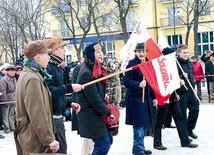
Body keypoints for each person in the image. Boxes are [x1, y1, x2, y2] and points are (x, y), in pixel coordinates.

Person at [15, 40, 59, 155]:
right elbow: (37, 113)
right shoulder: (32, 78)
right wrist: (49, 139)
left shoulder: (29, 74)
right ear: (38, 57)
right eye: (46, 55)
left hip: (32, 136)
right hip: (34, 139)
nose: (49, 58)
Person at [153, 47, 198, 151]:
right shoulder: (160, 66)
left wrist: (176, 90)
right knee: (160, 120)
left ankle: (185, 141)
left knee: (180, 118)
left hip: (172, 96)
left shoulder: (171, 64)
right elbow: (160, 81)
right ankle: (157, 143)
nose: (172, 57)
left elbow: (172, 80)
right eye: (170, 55)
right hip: (163, 96)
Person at [45, 36, 83, 154]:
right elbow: (50, 92)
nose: (65, 50)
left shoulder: (58, 67)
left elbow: (59, 94)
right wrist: (70, 87)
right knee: (60, 151)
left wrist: (69, 103)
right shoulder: (49, 68)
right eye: (62, 48)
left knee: (62, 150)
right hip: (51, 118)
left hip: (58, 117)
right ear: (54, 50)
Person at [76, 43, 115, 155]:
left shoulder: (94, 69)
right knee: (103, 145)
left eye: (101, 51)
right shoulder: (86, 73)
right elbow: (94, 99)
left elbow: (97, 93)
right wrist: (107, 112)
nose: (101, 54)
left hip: (96, 113)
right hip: (90, 115)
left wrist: (104, 95)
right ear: (91, 55)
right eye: (98, 52)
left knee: (108, 140)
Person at [122, 43, 156, 155]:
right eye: (139, 51)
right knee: (139, 125)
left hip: (147, 99)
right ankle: (138, 150)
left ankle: (138, 146)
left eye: (143, 51)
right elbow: (126, 81)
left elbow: (152, 82)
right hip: (136, 100)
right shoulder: (131, 65)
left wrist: (154, 97)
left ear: (146, 52)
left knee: (145, 124)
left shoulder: (149, 64)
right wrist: (138, 85)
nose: (141, 53)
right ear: (135, 52)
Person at [176, 44, 200, 139]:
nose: (186, 54)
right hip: (181, 92)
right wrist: (181, 77)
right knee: (182, 115)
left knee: (195, 110)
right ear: (179, 53)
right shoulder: (175, 63)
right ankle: (184, 134)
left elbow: (192, 76)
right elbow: (172, 77)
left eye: (187, 52)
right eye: (184, 53)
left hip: (191, 91)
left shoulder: (189, 63)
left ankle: (189, 129)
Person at [0, 64, 16, 134]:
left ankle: (12, 127)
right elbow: (2, 91)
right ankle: (7, 128)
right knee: (5, 115)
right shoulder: (3, 80)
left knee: (11, 114)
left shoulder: (14, 79)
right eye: (11, 71)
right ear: (7, 72)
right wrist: (4, 101)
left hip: (13, 98)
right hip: (6, 99)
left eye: (14, 71)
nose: (13, 72)